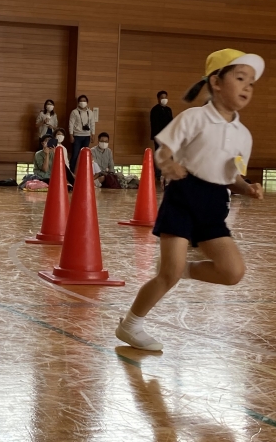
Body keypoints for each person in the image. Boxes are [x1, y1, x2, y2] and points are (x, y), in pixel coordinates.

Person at [115, 48, 265, 353]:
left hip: (214, 205)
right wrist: (168, 165)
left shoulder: (244, 135)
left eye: (251, 82)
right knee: (167, 275)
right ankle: (130, 325)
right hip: (183, 197)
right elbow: (163, 152)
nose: (247, 87)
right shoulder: (194, 118)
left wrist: (247, 187)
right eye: (240, 78)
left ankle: (184, 268)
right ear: (216, 82)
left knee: (232, 272)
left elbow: (231, 177)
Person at [68, 94, 96, 173]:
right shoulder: (74, 112)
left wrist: (93, 134)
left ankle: (82, 171)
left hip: (87, 136)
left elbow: (92, 124)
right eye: (81, 101)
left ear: (87, 102)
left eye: (84, 101)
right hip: (77, 136)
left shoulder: (90, 112)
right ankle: (72, 172)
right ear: (78, 102)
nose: (82, 102)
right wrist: (71, 135)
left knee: (84, 154)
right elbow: (71, 124)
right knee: (75, 154)